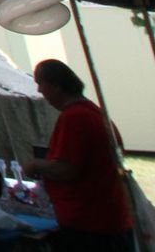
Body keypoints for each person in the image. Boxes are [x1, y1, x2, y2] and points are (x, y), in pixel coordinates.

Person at [23, 59, 134, 250]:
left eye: (40, 83)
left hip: (91, 223)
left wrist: (35, 165)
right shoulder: (93, 112)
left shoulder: (76, 118)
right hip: (107, 217)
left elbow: (66, 168)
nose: (39, 90)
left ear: (56, 86)